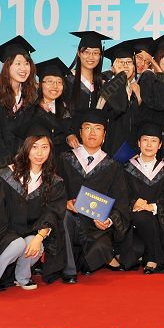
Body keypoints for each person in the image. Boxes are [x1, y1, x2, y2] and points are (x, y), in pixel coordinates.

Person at [0, 118, 66, 299]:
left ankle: (22, 276)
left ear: (50, 150)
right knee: (17, 244)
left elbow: (52, 212)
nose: (39, 153)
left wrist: (39, 237)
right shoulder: (7, 176)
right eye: (34, 147)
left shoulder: (53, 181)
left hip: (32, 232)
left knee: (34, 243)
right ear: (25, 148)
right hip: (5, 234)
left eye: (44, 147)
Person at [56, 109, 129, 282]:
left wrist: (108, 220)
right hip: (69, 224)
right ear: (80, 132)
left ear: (104, 135)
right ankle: (69, 271)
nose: (92, 133)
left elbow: (121, 202)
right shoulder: (64, 159)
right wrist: (64, 203)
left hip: (94, 229)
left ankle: (79, 260)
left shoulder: (113, 166)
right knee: (65, 216)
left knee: (101, 249)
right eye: (87, 128)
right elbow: (52, 191)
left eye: (98, 128)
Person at [118, 122, 164, 274]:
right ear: (139, 143)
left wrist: (152, 206)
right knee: (131, 256)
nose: (149, 144)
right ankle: (153, 256)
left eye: (154, 141)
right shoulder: (126, 168)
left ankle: (151, 256)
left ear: (160, 145)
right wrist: (133, 202)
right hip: (133, 225)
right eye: (145, 140)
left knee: (144, 217)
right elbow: (120, 195)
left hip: (159, 224)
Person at [0, 35, 38, 171]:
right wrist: (3, 165)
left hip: (24, 163)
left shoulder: (30, 96)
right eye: (18, 63)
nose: (23, 68)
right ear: (6, 66)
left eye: (27, 63)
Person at [97, 40, 143, 157]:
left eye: (129, 62)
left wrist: (139, 99)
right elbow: (117, 110)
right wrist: (119, 78)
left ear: (134, 67)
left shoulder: (137, 88)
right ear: (112, 68)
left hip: (134, 150)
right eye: (120, 62)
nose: (125, 65)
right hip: (112, 149)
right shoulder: (106, 88)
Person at [32, 58, 75, 157]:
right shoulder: (31, 110)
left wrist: (69, 135)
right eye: (49, 81)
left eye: (59, 82)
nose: (55, 86)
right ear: (40, 84)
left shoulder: (67, 111)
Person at [68, 31, 111, 110]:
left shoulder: (104, 82)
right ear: (79, 53)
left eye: (95, 53)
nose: (91, 57)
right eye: (86, 52)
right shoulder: (68, 81)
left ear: (100, 55)